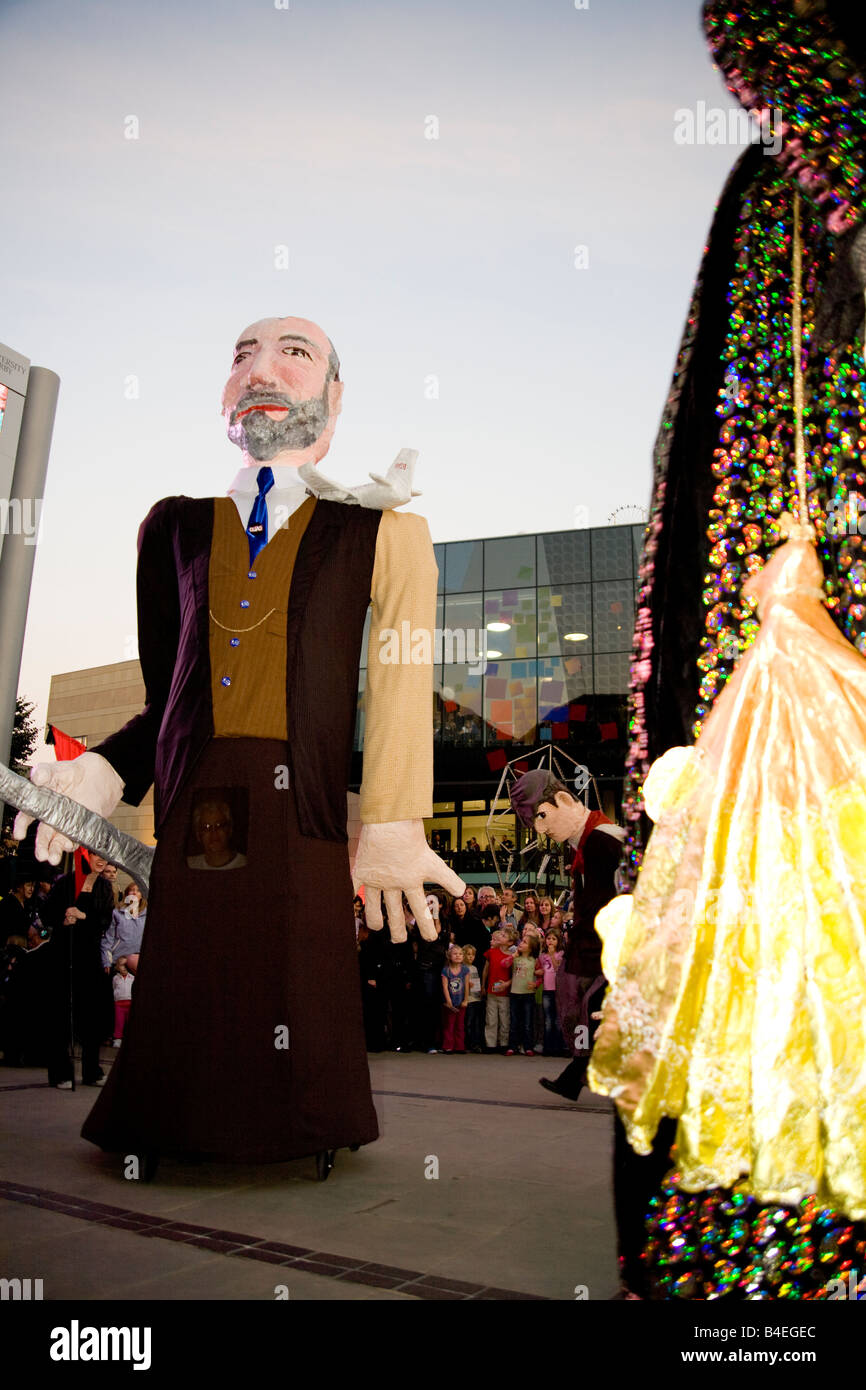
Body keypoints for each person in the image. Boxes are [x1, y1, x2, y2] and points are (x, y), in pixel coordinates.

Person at [15, 314, 464, 1177]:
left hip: (304, 801)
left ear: (334, 397)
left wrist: (399, 820)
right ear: (225, 393)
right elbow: (167, 691)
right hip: (198, 793)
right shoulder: (171, 526)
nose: (262, 368)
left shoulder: (385, 534)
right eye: (242, 355)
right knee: (200, 961)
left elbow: (405, 675)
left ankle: (304, 1118)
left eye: (294, 354)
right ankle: (172, 1112)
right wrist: (107, 769)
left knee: (293, 957)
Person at [40, 852, 115, 1089]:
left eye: (105, 856)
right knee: (61, 1014)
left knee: (90, 1014)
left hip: (89, 955)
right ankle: (60, 1072)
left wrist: (83, 916)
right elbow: (46, 914)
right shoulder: (66, 882)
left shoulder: (104, 887)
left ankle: (92, 1070)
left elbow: (105, 920)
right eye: (96, 855)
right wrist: (63, 919)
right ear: (85, 855)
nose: (101, 860)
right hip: (64, 953)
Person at [506, 934, 542, 1056]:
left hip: (528, 994)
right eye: (521, 941)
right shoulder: (515, 958)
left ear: (531, 948)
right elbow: (504, 964)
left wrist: (536, 983)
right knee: (514, 1021)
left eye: (525, 942)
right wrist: (513, 956)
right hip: (514, 993)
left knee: (527, 1022)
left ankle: (528, 1047)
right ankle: (512, 1046)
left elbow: (541, 975)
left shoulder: (534, 960)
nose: (521, 943)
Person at [101, 884, 146, 976]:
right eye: (132, 890)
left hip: (140, 962)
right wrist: (106, 961)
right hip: (118, 961)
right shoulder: (117, 913)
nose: (134, 893)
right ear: (126, 894)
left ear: (142, 895)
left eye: (138, 891)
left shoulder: (148, 915)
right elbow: (108, 939)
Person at [482, 927, 514, 1052]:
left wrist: (507, 984)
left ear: (510, 942)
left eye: (504, 936)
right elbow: (486, 969)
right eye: (500, 934)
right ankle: (490, 1043)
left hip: (505, 993)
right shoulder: (491, 952)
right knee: (491, 1018)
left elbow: (513, 975)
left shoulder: (512, 956)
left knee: (504, 1018)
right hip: (491, 991)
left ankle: (504, 1043)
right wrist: (483, 985)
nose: (500, 936)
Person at [440, 944, 470, 1054]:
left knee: (460, 1025)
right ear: (449, 956)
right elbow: (445, 987)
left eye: (460, 954)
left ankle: (459, 1046)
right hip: (450, 1002)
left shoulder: (465, 970)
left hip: (461, 1002)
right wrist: (448, 1002)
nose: (458, 956)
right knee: (449, 1024)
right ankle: (448, 1046)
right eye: (455, 954)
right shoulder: (446, 970)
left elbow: (466, 985)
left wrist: (466, 1000)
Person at [540, 929, 565, 1057]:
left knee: (558, 1020)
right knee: (548, 1020)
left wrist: (551, 955)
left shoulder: (560, 953)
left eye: (553, 939)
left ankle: (559, 1047)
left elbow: (558, 969)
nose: (550, 941)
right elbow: (541, 969)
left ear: (558, 941)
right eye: (549, 938)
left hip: (558, 990)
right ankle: (548, 1047)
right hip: (547, 990)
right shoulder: (542, 955)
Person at [461, 943, 484, 1053]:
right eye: (468, 954)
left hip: (476, 998)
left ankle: (476, 1043)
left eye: (473, 955)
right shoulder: (462, 968)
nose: (471, 957)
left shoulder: (474, 968)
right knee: (468, 1022)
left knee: (476, 1022)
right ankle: (468, 1043)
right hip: (468, 999)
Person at [111, 958, 133, 1045]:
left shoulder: (132, 978)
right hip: (119, 1004)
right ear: (117, 967)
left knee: (130, 1022)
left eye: (126, 965)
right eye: (121, 965)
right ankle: (118, 1039)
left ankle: (130, 1039)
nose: (124, 968)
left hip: (130, 1003)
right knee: (119, 1022)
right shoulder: (115, 978)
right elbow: (114, 988)